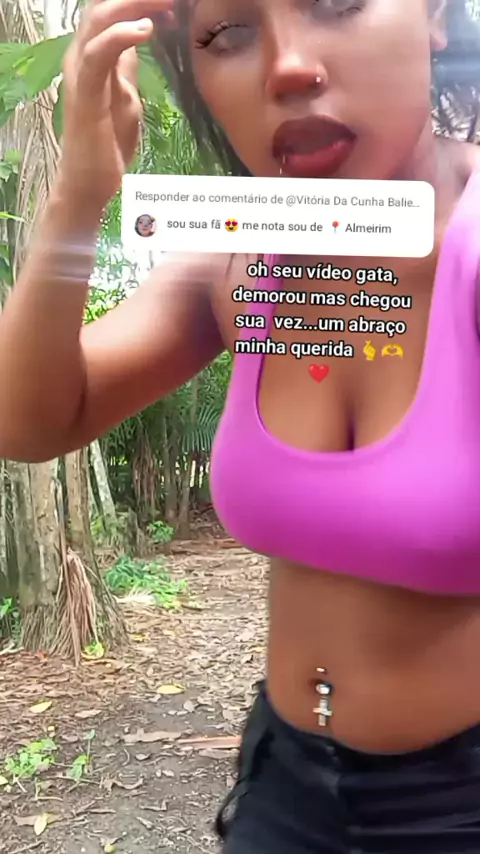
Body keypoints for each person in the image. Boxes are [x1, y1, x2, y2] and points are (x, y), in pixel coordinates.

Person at [2, 0, 480, 850]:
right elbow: (30, 422)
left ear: (436, 15)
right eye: (228, 33)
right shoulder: (236, 259)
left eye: (336, 2)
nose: (287, 66)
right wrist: (79, 195)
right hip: (284, 788)